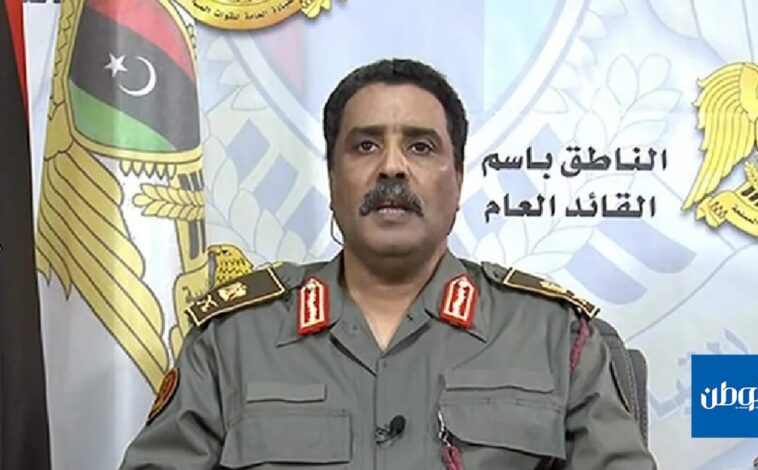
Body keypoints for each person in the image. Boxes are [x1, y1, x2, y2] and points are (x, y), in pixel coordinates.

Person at [120, 58, 656, 469]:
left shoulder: (554, 335)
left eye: (421, 147)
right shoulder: (233, 340)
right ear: (332, 180)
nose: (392, 167)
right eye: (365, 146)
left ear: (458, 180)